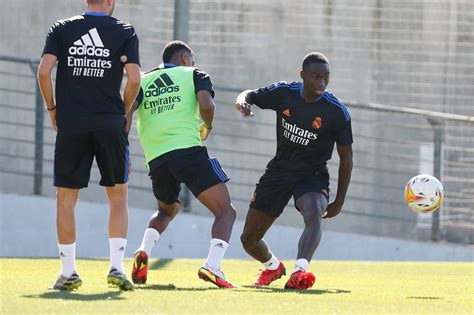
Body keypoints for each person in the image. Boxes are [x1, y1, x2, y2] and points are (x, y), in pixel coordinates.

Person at [37, 0, 141, 291]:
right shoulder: (124, 30)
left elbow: (44, 72)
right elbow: (135, 78)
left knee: (65, 198)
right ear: (109, 2)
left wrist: (52, 109)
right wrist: (123, 110)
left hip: (71, 122)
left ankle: (68, 271)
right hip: (110, 122)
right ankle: (117, 268)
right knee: (117, 195)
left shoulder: (62, 28)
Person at [235, 52, 353, 290]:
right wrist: (242, 101)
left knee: (314, 212)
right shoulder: (284, 93)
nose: (321, 82)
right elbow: (250, 94)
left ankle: (300, 272)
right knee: (248, 239)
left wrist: (339, 201)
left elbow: (346, 157)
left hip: (312, 174)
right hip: (279, 171)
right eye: (316, 77)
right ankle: (273, 267)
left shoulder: (336, 112)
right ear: (303, 76)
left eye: (326, 77)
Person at [126, 40, 237, 288]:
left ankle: (143, 249)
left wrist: (123, 149)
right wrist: (207, 126)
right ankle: (213, 266)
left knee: (166, 210)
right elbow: (207, 105)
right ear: (185, 59)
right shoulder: (194, 74)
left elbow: (126, 112)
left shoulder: (142, 81)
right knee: (225, 211)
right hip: (187, 151)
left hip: (156, 158)